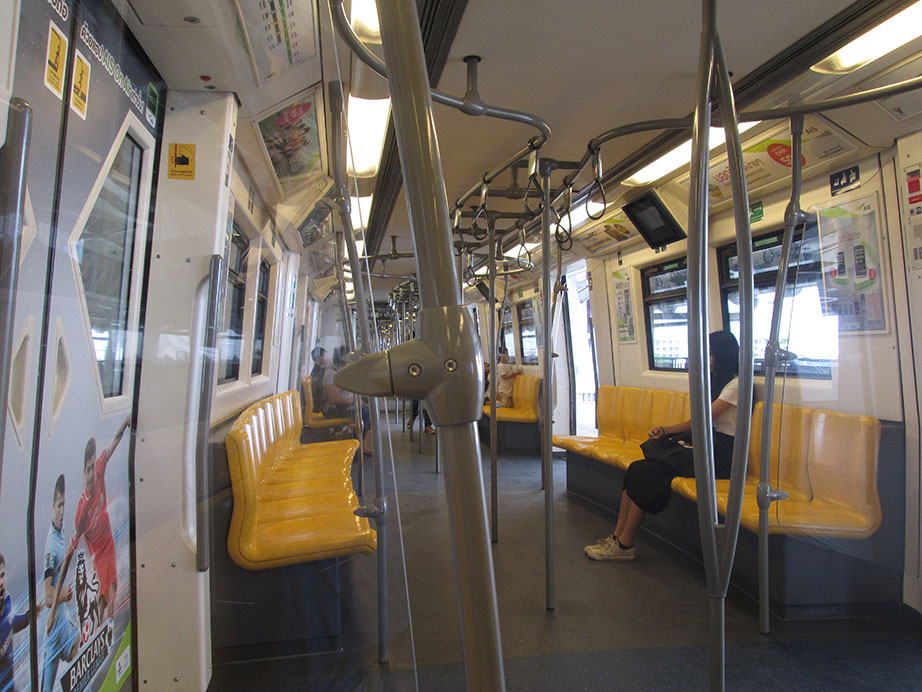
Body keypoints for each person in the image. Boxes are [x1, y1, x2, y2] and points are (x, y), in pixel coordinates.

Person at [585, 330, 742, 562]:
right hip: (707, 447)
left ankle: (626, 544)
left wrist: (666, 430)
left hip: (722, 456)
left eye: (710, 353)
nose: (707, 358)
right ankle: (617, 537)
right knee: (637, 469)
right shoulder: (719, 384)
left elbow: (700, 420)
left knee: (648, 472)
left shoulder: (736, 386)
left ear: (723, 355)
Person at [49, 416, 131, 629]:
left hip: (109, 547)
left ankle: (109, 630)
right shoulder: (82, 509)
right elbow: (67, 556)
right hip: (98, 557)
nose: (91, 475)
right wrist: (52, 610)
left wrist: (124, 424)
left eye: (93, 467)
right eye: (87, 470)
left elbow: (113, 443)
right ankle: (101, 633)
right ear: (83, 471)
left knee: (112, 594)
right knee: (101, 604)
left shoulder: (100, 469)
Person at [41, 476, 80, 692]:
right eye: (59, 505)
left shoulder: (61, 531)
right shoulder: (50, 545)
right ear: (52, 507)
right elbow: (48, 595)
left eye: (64, 504)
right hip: (52, 633)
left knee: (81, 646)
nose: (62, 510)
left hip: (62, 622)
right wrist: (62, 597)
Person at [323, 347, 373, 455]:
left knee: (368, 410)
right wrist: (354, 401)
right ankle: (361, 445)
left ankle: (362, 445)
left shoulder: (340, 371)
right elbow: (333, 400)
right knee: (366, 412)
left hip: (347, 404)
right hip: (335, 409)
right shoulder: (331, 374)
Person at [0, 552, 38, 690]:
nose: (0, 583)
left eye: (2, 575)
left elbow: (12, 624)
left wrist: (30, 615)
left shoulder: (7, 603)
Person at [309, 346, 328, 413]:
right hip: (320, 407)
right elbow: (320, 390)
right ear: (318, 358)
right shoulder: (319, 372)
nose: (325, 358)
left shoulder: (317, 370)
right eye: (324, 356)